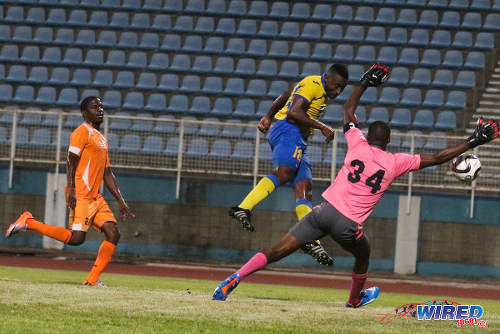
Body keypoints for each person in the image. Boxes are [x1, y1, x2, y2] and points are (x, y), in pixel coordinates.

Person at [213, 64, 499, 307]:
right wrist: (473, 141)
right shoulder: (394, 162)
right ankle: (353, 300)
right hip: (348, 225)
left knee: (278, 250)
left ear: (367, 134)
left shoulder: (356, 143)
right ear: (386, 142)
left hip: (323, 212)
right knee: (363, 255)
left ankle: (233, 278)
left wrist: (364, 84)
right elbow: (437, 157)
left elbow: (349, 110)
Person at [229, 64, 351, 266]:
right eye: (336, 86)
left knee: (304, 188)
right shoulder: (313, 84)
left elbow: (288, 93)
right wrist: (322, 126)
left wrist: (268, 115)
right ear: (327, 78)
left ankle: (310, 239)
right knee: (285, 173)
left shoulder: (314, 88)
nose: (338, 92)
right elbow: (294, 112)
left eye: (342, 88)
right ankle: (243, 208)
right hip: (288, 130)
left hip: (299, 137)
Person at [5, 96, 135, 286]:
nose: (100, 110)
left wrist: (121, 201)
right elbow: (70, 161)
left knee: (113, 233)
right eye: (94, 107)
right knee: (76, 239)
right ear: (84, 113)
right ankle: (29, 222)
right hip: (81, 194)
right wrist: (71, 189)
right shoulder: (81, 132)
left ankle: (92, 280)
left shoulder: (102, 140)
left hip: (96, 197)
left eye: (101, 106)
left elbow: (108, 173)